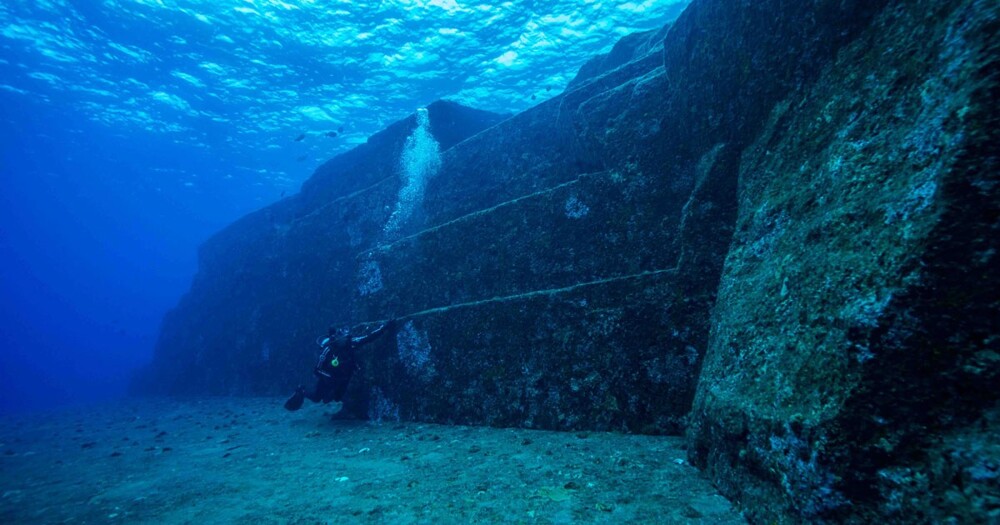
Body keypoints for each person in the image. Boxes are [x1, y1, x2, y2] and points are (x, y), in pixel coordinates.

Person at [284, 320, 395, 412]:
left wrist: (384, 327)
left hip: (342, 377)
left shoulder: (351, 343)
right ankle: (302, 391)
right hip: (328, 379)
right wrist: (330, 377)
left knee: (338, 398)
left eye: (345, 332)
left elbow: (368, 338)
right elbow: (317, 370)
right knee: (317, 398)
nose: (346, 336)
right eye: (341, 334)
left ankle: (334, 397)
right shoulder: (327, 350)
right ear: (334, 337)